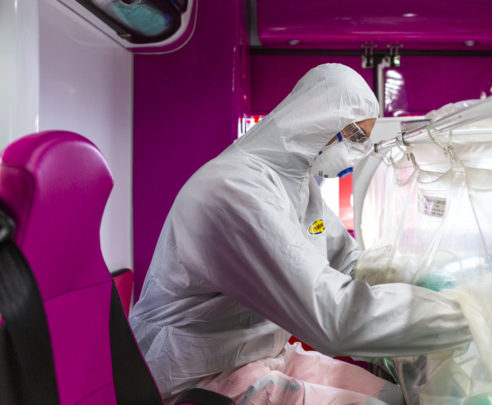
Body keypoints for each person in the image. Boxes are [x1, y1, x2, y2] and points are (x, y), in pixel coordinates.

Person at [129, 63, 471, 404]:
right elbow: (332, 318)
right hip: (195, 375)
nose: (359, 152)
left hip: (259, 355)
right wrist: (470, 316)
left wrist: (428, 278)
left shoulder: (299, 187)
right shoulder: (234, 189)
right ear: (316, 118)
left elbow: (349, 264)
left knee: (396, 398)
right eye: (355, 136)